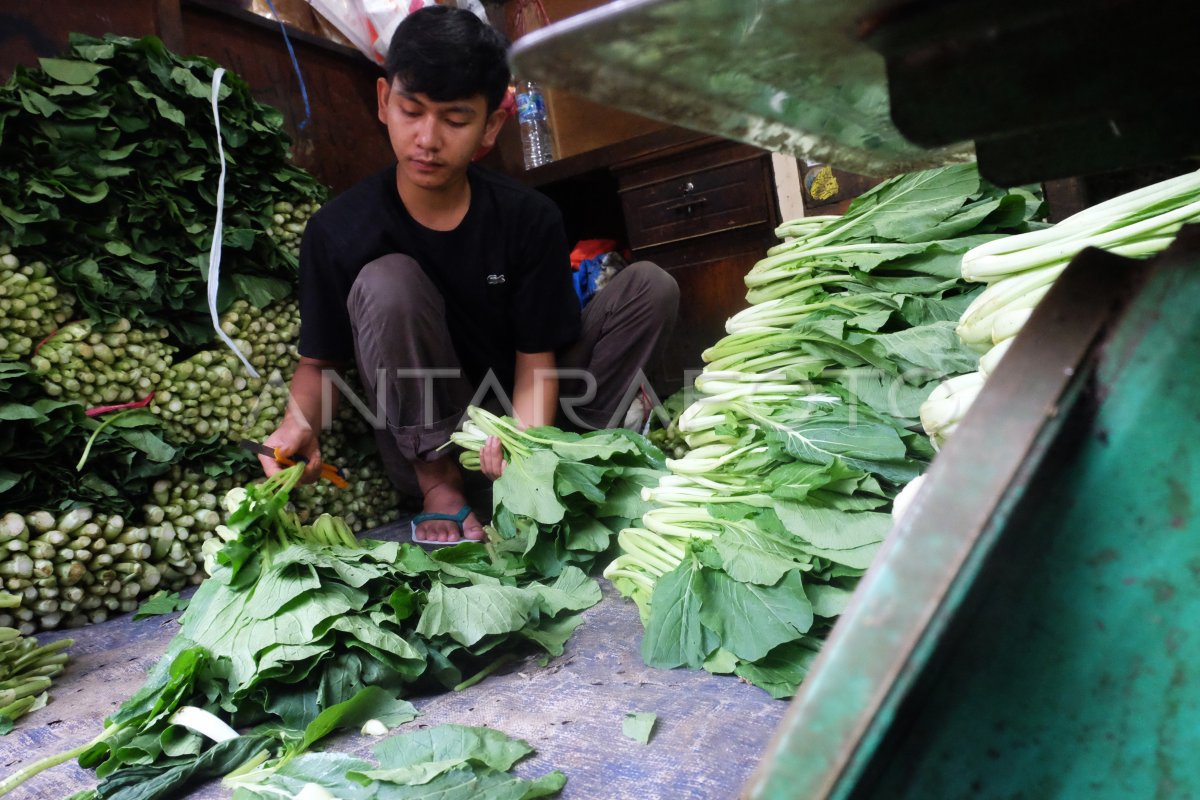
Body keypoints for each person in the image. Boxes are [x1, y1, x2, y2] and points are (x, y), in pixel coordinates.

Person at [258, 5, 678, 543]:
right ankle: (442, 488)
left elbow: (537, 357)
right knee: (388, 281)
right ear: (384, 101)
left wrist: (527, 447)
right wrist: (299, 424)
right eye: (412, 111)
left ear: (490, 125)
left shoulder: (527, 218)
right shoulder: (337, 231)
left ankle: (571, 458)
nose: (428, 139)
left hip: (523, 410)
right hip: (424, 434)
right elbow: (321, 363)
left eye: (455, 120)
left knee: (649, 287)